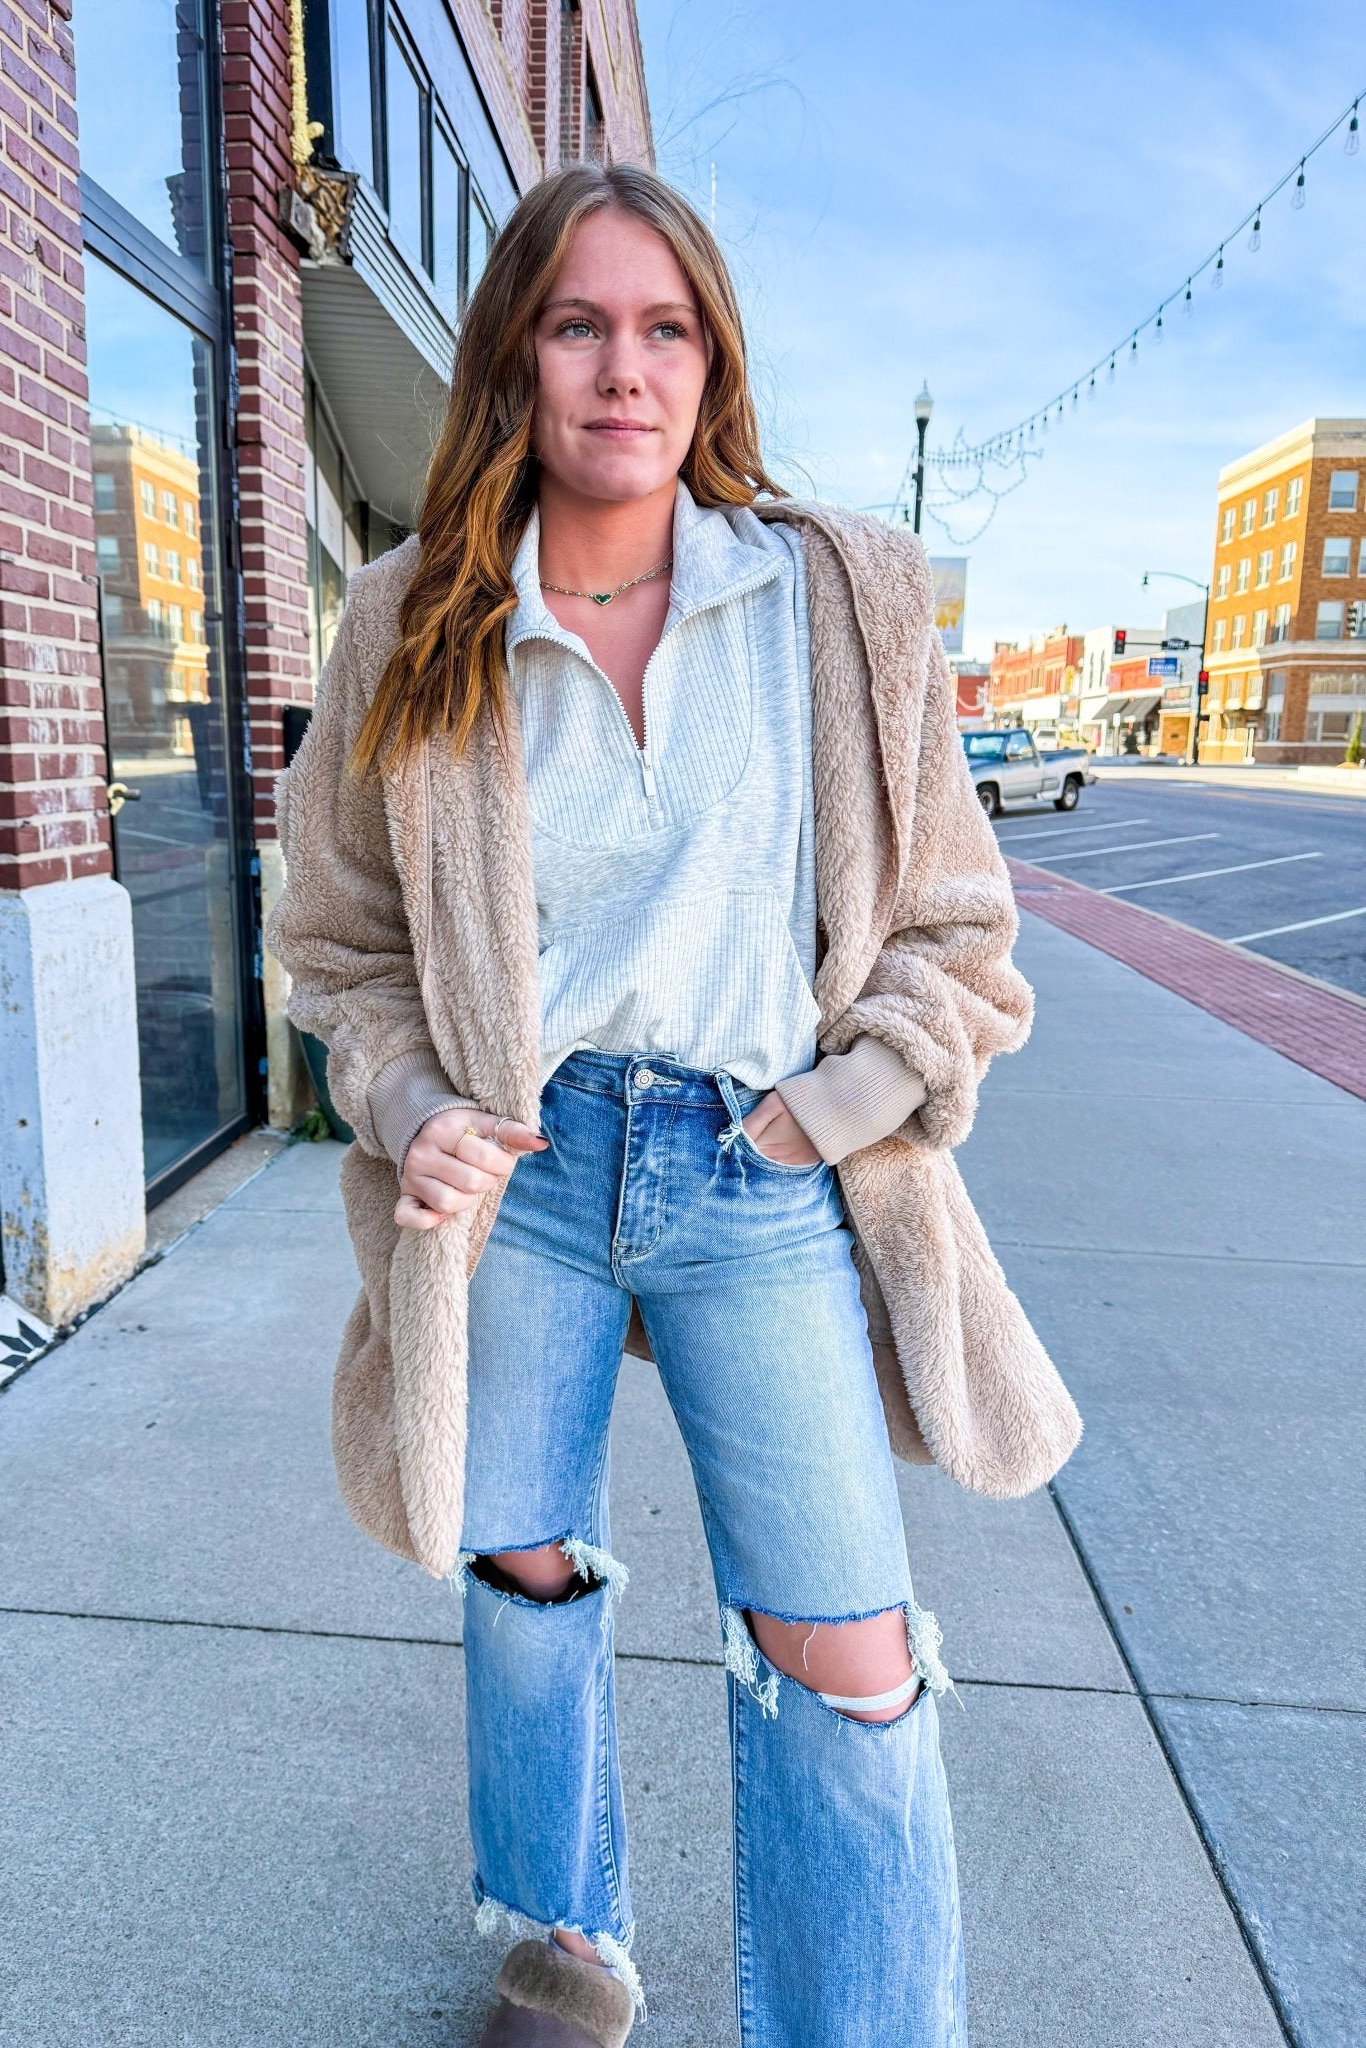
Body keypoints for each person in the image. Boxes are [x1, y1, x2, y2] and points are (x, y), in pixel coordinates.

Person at [267, 162, 1081, 2048]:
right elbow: (336, 942)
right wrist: (402, 1102)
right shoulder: (410, 622)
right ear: (514, 362)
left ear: (711, 362)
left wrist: (846, 1095)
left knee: (847, 1649)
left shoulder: (835, 594)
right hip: (520, 1182)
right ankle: (572, 1938)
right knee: (522, 1565)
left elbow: (960, 919)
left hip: (756, 1168)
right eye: (577, 325)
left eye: (664, 327)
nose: (622, 370)